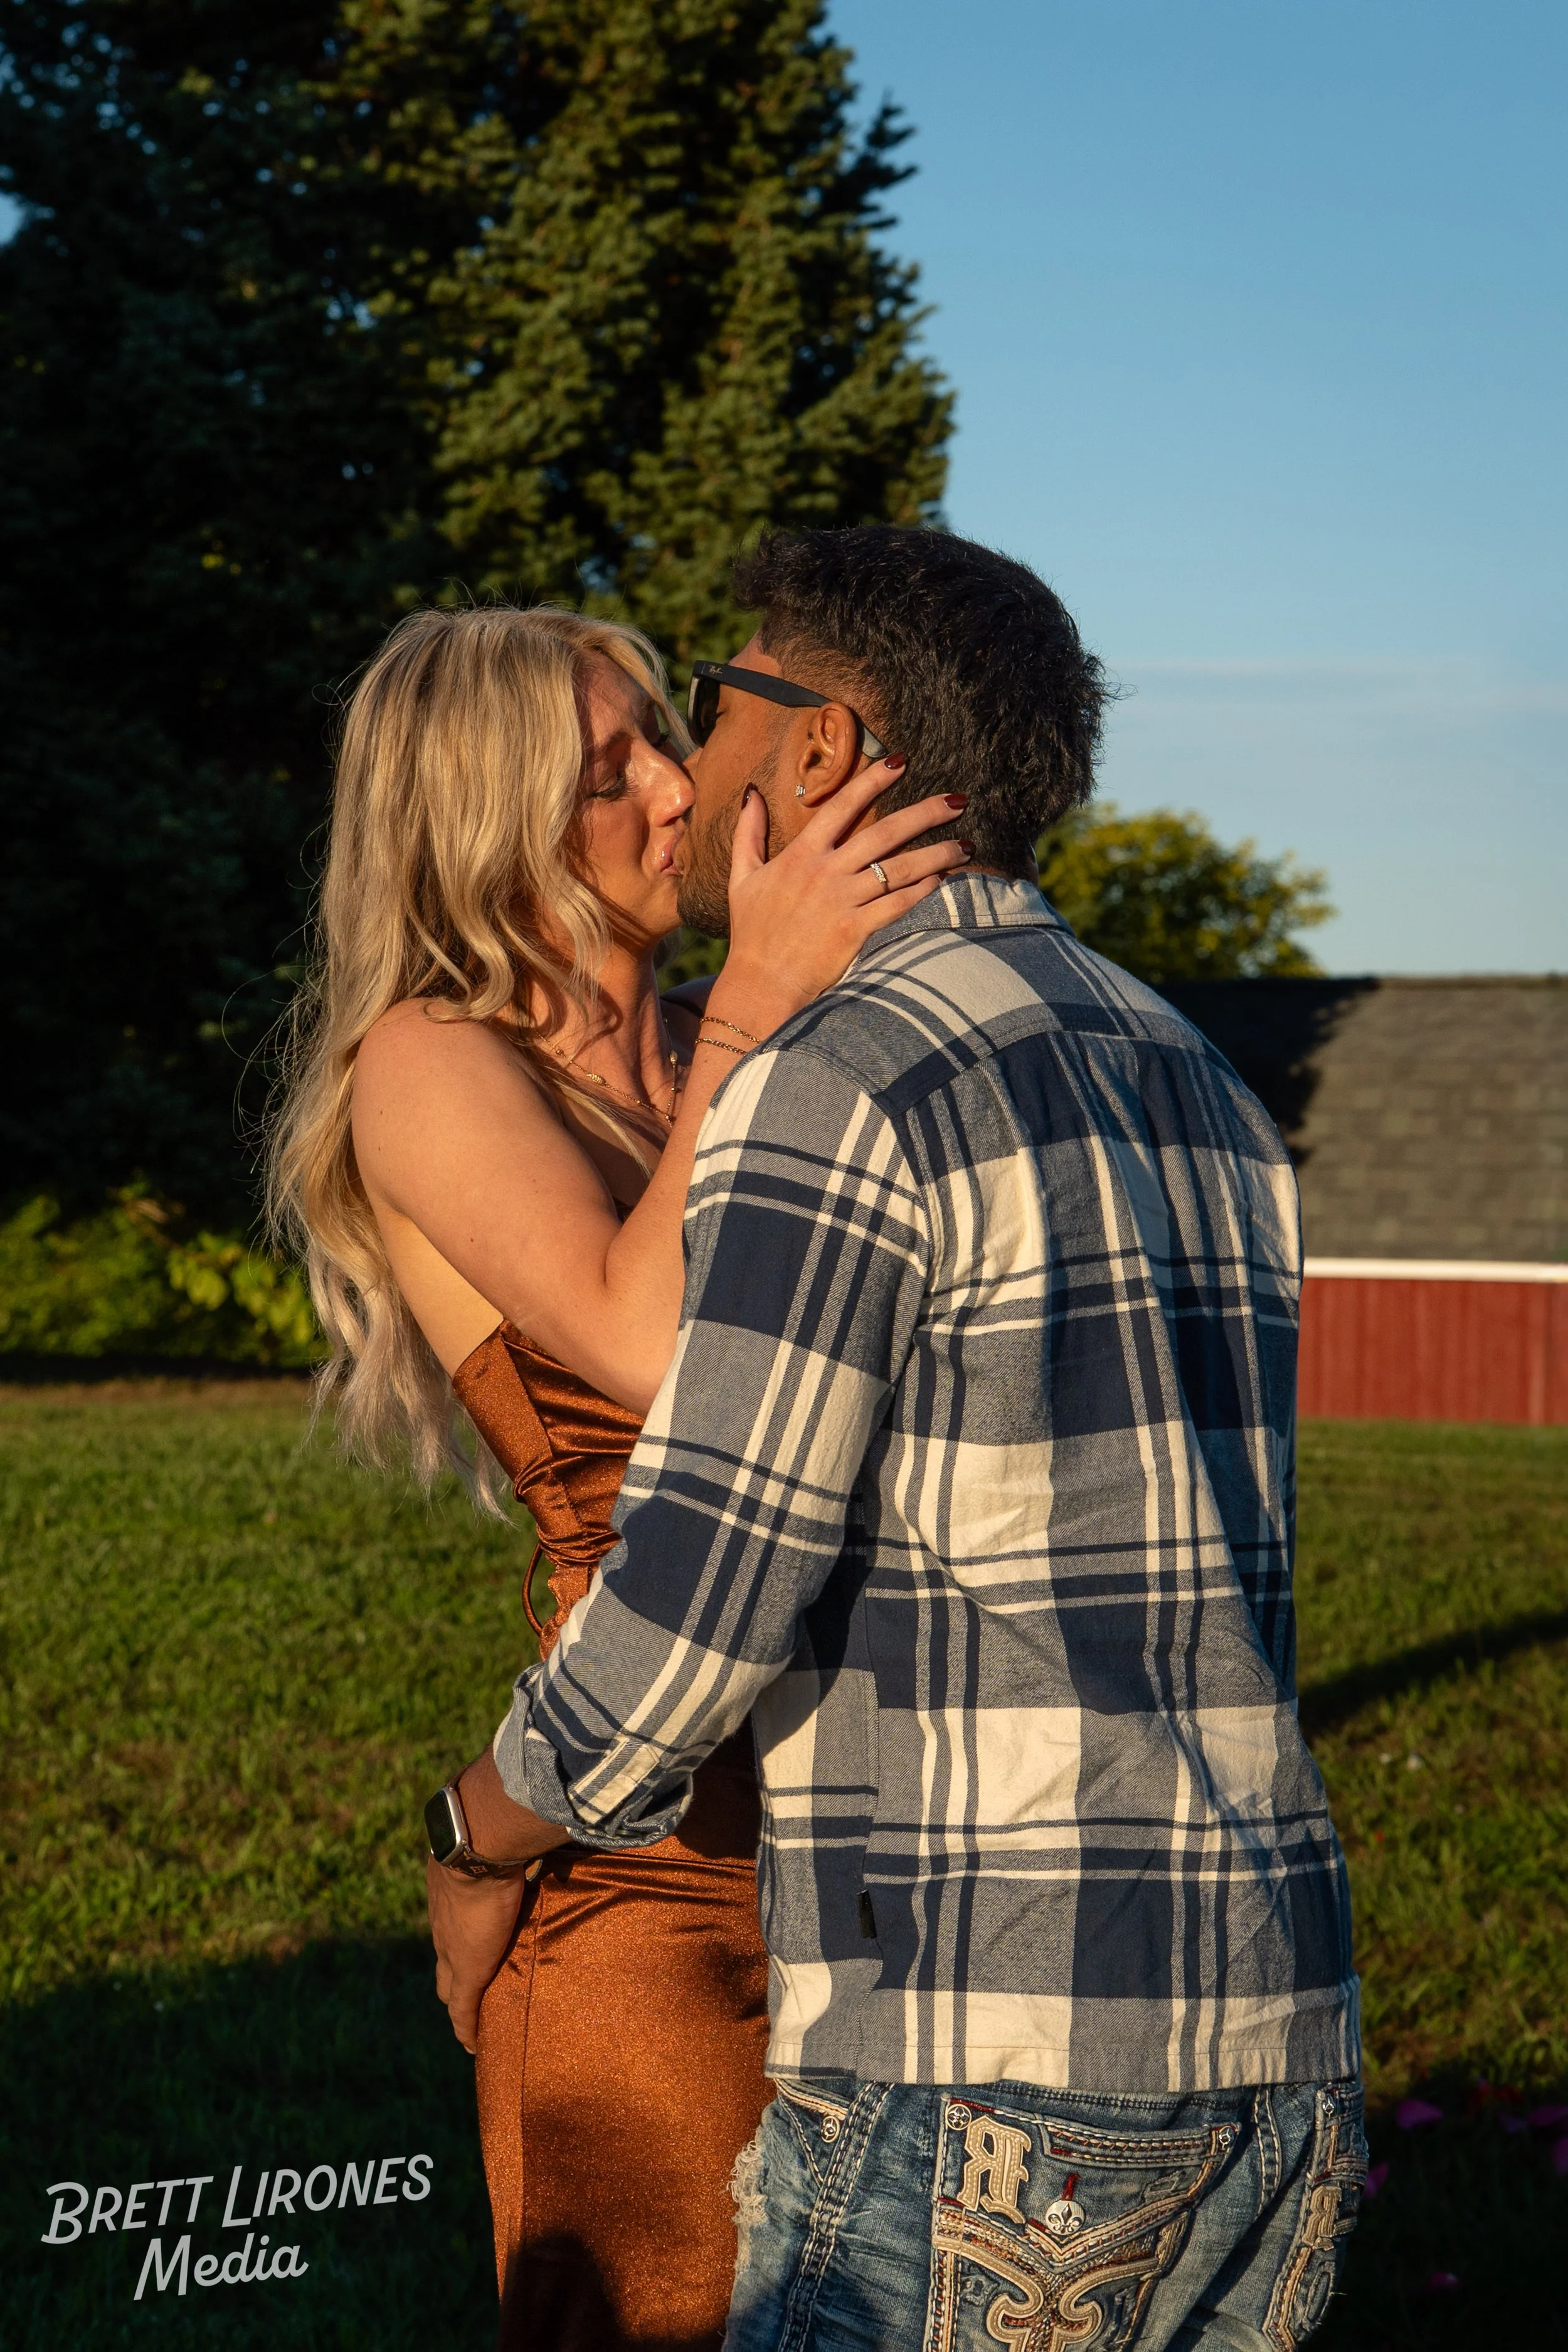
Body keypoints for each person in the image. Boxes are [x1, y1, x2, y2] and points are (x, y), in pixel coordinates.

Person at [432, 527, 1365, 2352]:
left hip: (987, 2055)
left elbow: (700, 1607)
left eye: (708, 710)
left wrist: (474, 1840)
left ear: (820, 747)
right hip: (1284, 2035)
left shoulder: (838, 1072)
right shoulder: (1195, 1074)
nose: (690, 774)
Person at [265, 598, 969, 2350]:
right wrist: (753, 990)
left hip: (888, 1836)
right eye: (610, 769)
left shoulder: (745, 1051)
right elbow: (657, 1348)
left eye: (667, 735)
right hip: (648, 1875)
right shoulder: (431, 1063)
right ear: (490, 831)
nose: (678, 787)